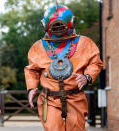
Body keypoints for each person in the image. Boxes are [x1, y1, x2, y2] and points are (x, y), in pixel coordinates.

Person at [24, 2, 103, 131]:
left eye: (61, 25)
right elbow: (32, 70)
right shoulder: (38, 47)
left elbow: (95, 62)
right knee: (53, 128)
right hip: (49, 99)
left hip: (75, 97)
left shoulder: (84, 43)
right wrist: (32, 87)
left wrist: (87, 77)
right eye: (55, 26)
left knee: (77, 128)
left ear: (71, 23)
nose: (58, 28)